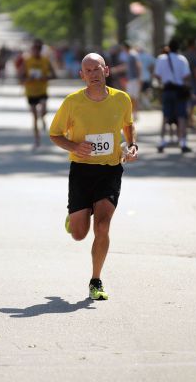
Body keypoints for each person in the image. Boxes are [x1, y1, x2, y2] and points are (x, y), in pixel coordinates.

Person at [49, 53, 138, 300]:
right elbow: (55, 134)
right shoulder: (72, 102)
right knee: (79, 234)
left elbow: (128, 125)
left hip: (110, 170)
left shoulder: (122, 99)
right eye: (87, 71)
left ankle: (96, 280)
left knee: (102, 226)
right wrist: (74, 147)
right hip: (82, 171)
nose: (92, 74)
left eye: (96, 69)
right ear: (82, 75)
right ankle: (75, 217)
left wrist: (132, 146)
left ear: (106, 71)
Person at [154, 39, 192, 153]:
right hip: (179, 91)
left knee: (165, 116)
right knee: (181, 117)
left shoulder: (161, 59)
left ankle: (162, 141)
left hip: (166, 90)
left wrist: (164, 79)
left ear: (169, 47)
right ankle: (183, 142)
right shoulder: (182, 59)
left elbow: (157, 75)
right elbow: (186, 76)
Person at [20, 39, 56, 149]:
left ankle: (43, 116)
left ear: (40, 50)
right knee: (34, 117)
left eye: (38, 49)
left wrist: (45, 77)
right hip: (30, 92)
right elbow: (20, 77)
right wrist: (28, 79)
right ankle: (37, 140)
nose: (36, 52)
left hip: (42, 91)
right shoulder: (27, 61)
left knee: (44, 109)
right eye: (34, 49)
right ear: (32, 50)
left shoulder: (46, 61)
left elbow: (54, 75)